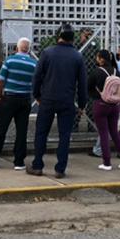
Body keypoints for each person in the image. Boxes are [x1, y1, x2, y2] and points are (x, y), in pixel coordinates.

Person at [28, 23, 87, 178]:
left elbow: (37, 76)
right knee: (65, 135)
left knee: (41, 133)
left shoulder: (47, 53)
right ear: (73, 38)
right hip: (67, 100)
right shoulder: (77, 56)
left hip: (47, 99)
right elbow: (82, 83)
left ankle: (38, 165)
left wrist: (37, 95)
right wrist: (82, 104)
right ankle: (60, 169)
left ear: (58, 36)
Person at [0, 37, 37, 171]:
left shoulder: (10, 60)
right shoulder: (34, 64)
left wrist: (0, 95)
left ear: (17, 48)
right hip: (25, 99)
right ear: (28, 49)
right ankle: (19, 162)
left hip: (9, 98)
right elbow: (36, 82)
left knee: (0, 129)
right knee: (22, 131)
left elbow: (0, 80)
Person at [88, 49, 120, 171]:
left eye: (97, 57)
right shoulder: (117, 71)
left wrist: (98, 96)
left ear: (101, 59)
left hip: (101, 105)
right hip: (115, 105)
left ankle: (107, 163)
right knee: (115, 133)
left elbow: (89, 87)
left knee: (103, 134)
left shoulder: (97, 72)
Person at [93, 44, 120, 158]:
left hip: (113, 99)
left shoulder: (117, 67)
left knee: (106, 125)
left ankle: (99, 149)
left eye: (118, 51)